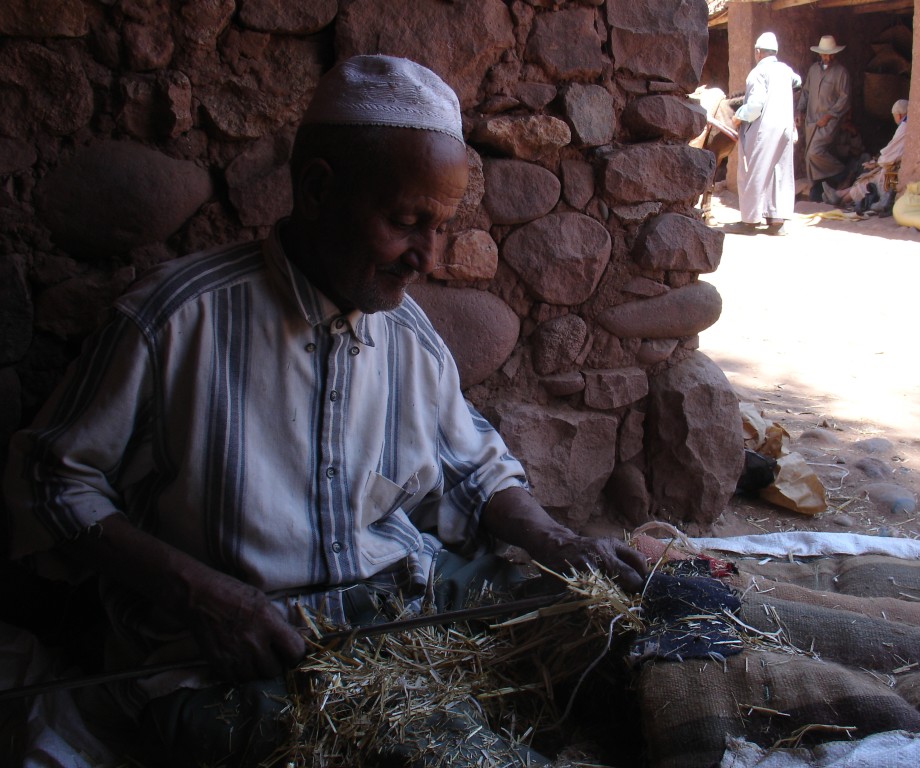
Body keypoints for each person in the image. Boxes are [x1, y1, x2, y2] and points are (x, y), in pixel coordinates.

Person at [3, 55, 648, 766]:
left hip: (409, 603)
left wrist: (560, 544)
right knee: (453, 756)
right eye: (407, 222)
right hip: (242, 655)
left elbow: (476, 469)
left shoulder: (407, 334)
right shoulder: (175, 320)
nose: (427, 259)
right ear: (316, 190)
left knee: (648, 635)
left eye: (440, 227)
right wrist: (203, 597)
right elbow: (49, 481)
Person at [727, 31, 802, 236]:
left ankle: (749, 221)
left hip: (764, 127)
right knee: (779, 171)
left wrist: (738, 116)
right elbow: (798, 81)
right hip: (785, 127)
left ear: (758, 52)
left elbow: (755, 106)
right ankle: (776, 221)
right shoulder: (785, 70)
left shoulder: (757, 73)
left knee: (754, 170)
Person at [823, 99, 909, 212]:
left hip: (894, 169)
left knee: (870, 180)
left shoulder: (904, 126)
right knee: (868, 177)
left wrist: (877, 163)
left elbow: (892, 153)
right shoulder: (906, 125)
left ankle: (840, 198)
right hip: (892, 165)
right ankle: (839, 196)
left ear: (899, 115)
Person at [797, 35, 852, 202]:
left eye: (830, 54)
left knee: (815, 153)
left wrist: (829, 116)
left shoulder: (841, 73)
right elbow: (806, 92)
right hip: (811, 121)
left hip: (829, 122)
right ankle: (818, 187)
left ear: (835, 54)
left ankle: (842, 171)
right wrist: (799, 109)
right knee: (809, 156)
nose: (827, 57)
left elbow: (844, 99)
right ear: (820, 54)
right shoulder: (813, 70)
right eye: (824, 54)